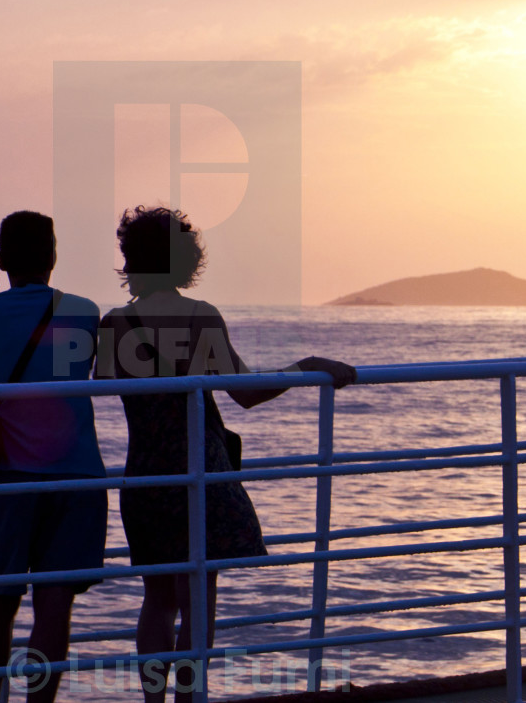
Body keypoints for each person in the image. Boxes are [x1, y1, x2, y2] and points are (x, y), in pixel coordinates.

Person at [96, 206, 356, 703]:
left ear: (132, 259)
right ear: (182, 260)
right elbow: (246, 394)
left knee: (155, 601)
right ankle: (189, 700)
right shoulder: (200, 317)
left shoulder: (116, 324)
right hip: (199, 469)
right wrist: (306, 365)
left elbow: (104, 385)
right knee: (198, 600)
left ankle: (153, 702)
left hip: (146, 475)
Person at [0, 210, 107, 703]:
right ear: (54, 257)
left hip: (8, 477)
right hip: (76, 476)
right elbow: (63, 370)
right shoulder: (83, 311)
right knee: (55, 608)